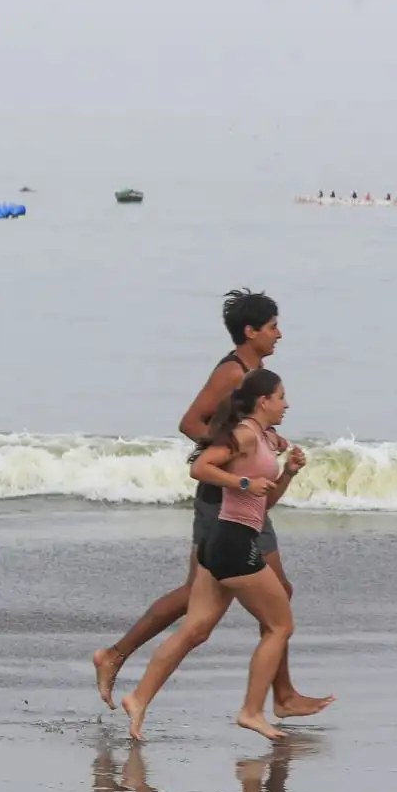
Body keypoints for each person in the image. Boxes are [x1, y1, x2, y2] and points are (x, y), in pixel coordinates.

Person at [92, 291, 330, 718]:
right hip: (223, 498)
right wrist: (236, 450)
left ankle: (282, 693)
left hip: (244, 497)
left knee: (216, 598)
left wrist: (260, 442)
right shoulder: (232, 372)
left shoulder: (257, 374)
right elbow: (190, 422)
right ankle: (116, 655)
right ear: (250, 331)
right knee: (211, 601)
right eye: (273, 326)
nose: (279, 333)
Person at [121, 369, 318, 742]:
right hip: (232, 545)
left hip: (223, 542)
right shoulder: (244, 434)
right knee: (280, 626)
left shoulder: (260, 438)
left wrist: (287, 474)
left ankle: (138, 698)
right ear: (264, 401)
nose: (286, 404)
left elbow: (263, 504)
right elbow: (200, 467)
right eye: (281, 397)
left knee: (194, 631)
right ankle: (252, 711)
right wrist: (242, 481)